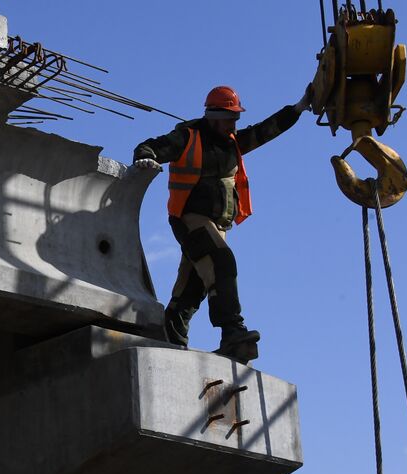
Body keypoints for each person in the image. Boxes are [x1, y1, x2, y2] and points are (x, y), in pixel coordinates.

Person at [130, 84, 312, 362]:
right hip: (189, 218)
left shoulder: (232, 141)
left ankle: (171, 336)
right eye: (230, 118)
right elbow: (152, 146)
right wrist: (145, 157)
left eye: (236, 118)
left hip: (218, 225)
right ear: (213, 115)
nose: (234, 123)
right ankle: (232, 331)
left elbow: (264, 131)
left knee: (195, 285)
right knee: (222, 263)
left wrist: (297, 109)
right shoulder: (187, 136)